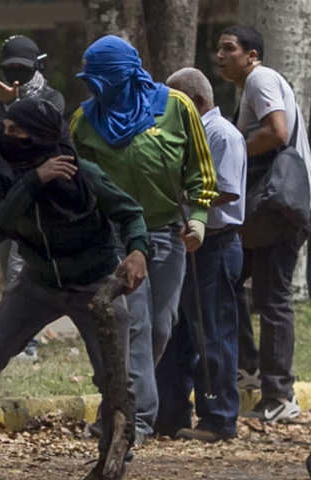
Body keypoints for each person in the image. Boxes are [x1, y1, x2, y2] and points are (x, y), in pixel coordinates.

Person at [0, 98, 148, 480]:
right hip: (36, 283)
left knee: (113, 377)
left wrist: (137, 251)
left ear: (43, 136)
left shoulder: (82, 173)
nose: (10, 139)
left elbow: (129, 213)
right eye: (6, 130)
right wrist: (32, 181)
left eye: (20, 132)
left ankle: (111, 460)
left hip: (93, 284)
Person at [70, 35, 217, 444]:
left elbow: (200, 168)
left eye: (104, 79)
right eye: (90, 79)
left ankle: (116, 407)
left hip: (167, 232)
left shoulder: (176, 106)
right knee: (132, 324)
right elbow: (74, 181)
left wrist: (200, 218)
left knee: (160, 327)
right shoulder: (85, 120)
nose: (95, 88)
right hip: (116, 236)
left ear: (127, 75)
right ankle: (134, 421)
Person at [217, 25, 311, 421]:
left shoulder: (260, 78)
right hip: (268, 210)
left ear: (251, 55)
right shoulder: (251, 85)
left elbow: (277, 132)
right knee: (229, 280)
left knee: (272, 299)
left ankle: (279, 396)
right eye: (218, 49)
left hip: (279, 210)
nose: (219, 55)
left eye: (228, 49)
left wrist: (232, 148)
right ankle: (251, 369)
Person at [153, 67, 247, 442]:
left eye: (177, 104)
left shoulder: (220, 134)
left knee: (213, 332)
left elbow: (223, 190)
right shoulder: (190, 134)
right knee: (178, 332)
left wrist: (178, 198)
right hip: (187, 241)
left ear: (196, 102)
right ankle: (170, 412)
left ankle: (219, 418)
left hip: (216, 243)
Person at [0, 35, 65, 362]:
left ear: (37, 66)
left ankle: (23, 346)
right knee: (10, 271)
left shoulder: (52, 97)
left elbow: (40, 132)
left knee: (19, 273)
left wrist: (12, 104)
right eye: (9, 68)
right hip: (2, 198)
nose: (15, 74)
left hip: (33, 200)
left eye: (22, 69)